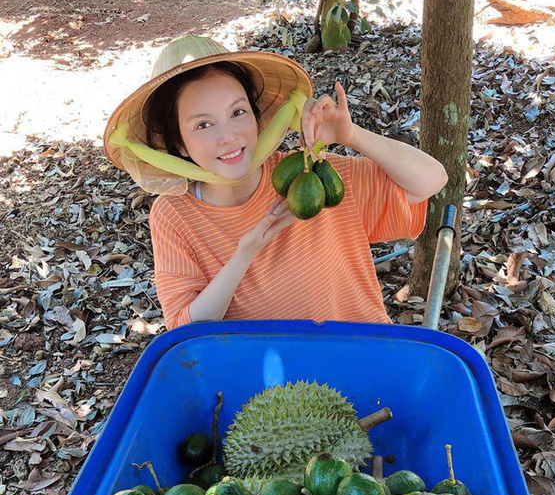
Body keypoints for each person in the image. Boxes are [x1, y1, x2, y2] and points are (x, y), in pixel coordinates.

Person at [103, 35, 448, 329]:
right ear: (179, 143)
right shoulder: (175, 215)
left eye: (238, 112)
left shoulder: (313, 173)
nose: (228, 136)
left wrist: (351, 134)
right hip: (266, 389)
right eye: (203, 125)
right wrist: (245, 253)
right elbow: (185, 328)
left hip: (362, 358)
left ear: (256, 118)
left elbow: (432, 180)